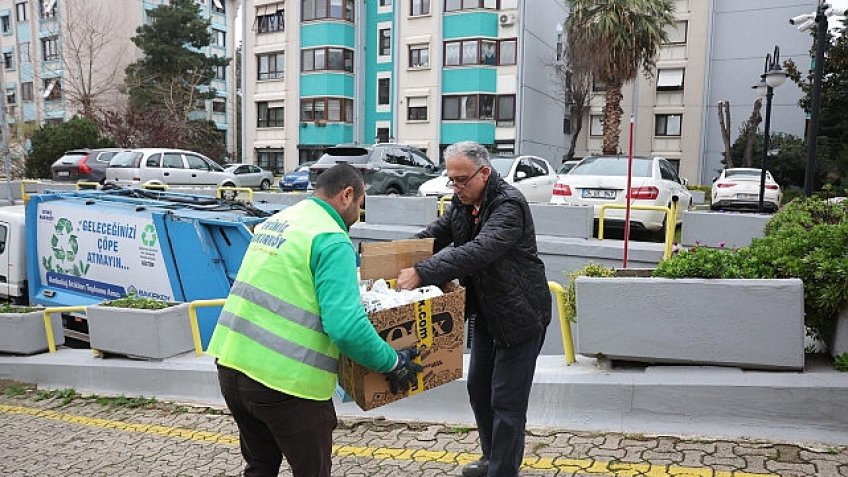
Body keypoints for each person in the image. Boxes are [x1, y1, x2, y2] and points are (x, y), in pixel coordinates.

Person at [207, 163, 421, 477]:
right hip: (287, 384)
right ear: (347, 195)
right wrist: (392, 363)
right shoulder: (332, 239)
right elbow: (346, 328)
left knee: (261, 466)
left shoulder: (277, 222)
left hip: (232, 366)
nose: (359, 213)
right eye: (361, 204)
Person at [397, 141, 551, 477]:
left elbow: (479, 251)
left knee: (507, 403)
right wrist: (395, 258)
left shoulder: (509, 205)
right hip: (486, 313)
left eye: (462, 180)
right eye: (451, 179)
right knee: (479, 390)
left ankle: (502, 470)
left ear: (485, 172)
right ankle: (490, 457)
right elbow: (434, 236)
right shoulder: (463, 202)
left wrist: (423, 271)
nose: (456, 187)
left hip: (520, 315)